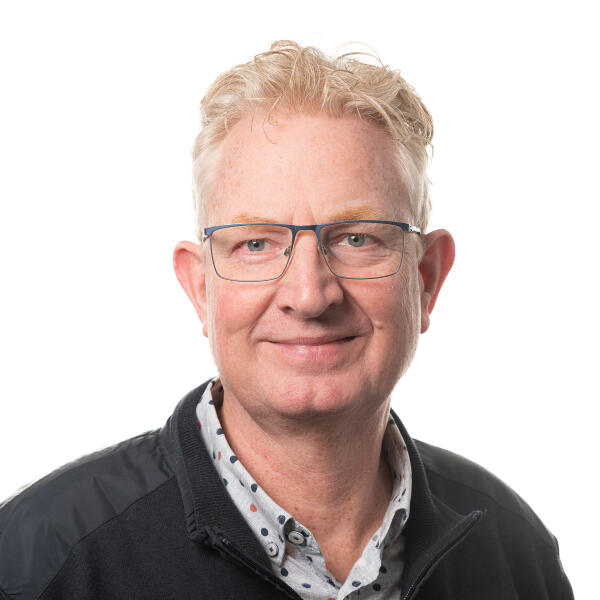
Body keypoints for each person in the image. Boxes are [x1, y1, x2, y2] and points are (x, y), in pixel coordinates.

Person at [0, 40, 573, 600]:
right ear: (200, 288)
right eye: (255, 244)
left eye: (357, 239)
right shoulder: (40, 563)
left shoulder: (513, 549)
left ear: (425, 279)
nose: (309, 295)